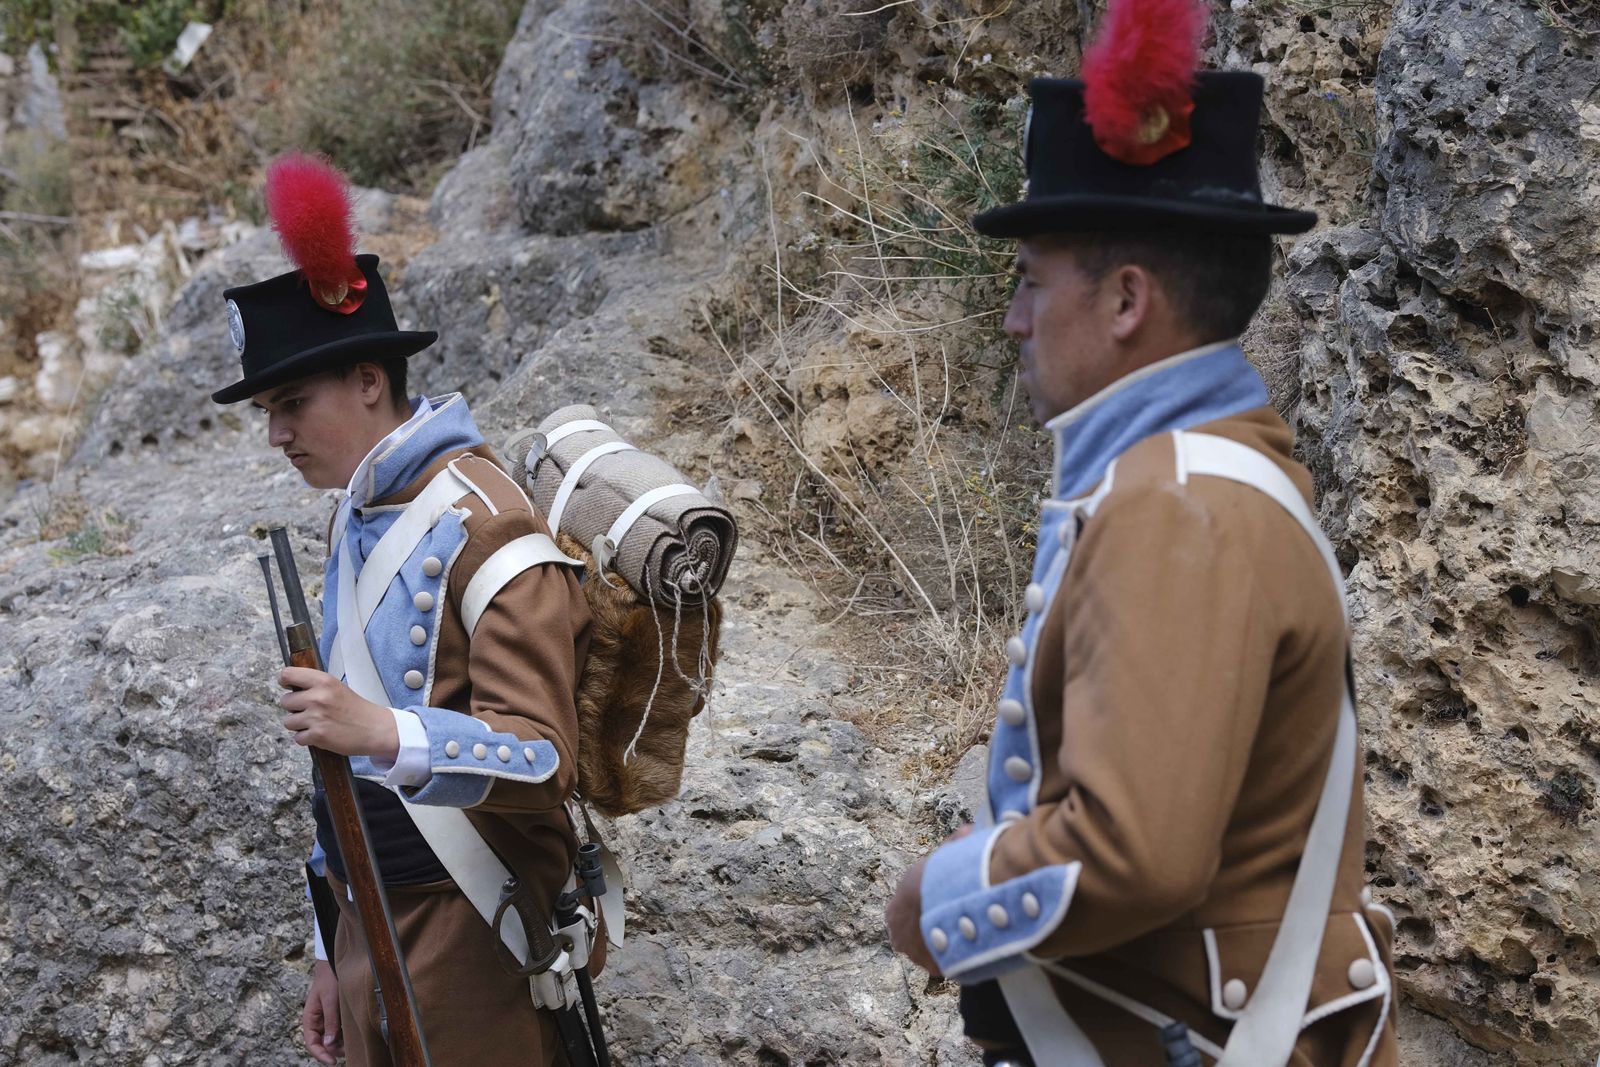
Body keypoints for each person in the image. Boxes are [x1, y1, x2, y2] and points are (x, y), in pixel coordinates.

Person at [884, 2, 1399, 1064]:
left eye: (1031, 281)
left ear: (1125, 299)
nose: (1015, 319)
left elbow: (1132, 855)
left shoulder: (1175, 500)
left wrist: (929, 900)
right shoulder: (1202, 472)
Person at [212, 156, 593, 1066]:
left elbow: (543, 757)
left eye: (291, 401)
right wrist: (327, 946)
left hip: (472, 933)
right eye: (268, 407)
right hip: (367, 924)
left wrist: (382, 729)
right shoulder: (360, 510)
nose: (276, 433)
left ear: (370, 381)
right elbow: (336, 777)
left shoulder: (485, 519)